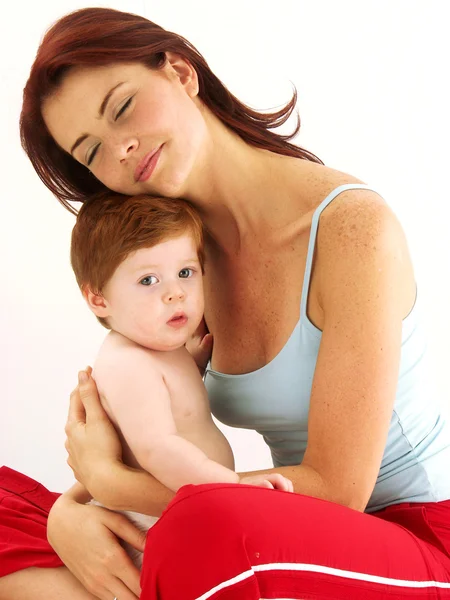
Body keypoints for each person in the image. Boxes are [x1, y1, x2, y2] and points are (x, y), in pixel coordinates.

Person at [2, 4, 450, 599]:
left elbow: (338, 490)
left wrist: (109, 483)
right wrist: (69, 514)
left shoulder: (350, 228)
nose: (123, 147)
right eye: (92, 152)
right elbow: (144, 430)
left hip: (414, 534)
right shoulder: (183, 264)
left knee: (204, 529)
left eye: (123, 107)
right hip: (279, 526)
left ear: (180, 72)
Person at [69, 191, 293, 568]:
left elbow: (169, 403)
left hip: (177, 513)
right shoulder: (129, 365)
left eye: (186, 273)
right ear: (98, 298)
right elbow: (158, 447)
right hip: (149, 531)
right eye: (148, 280)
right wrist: (231, 488)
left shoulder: (157, 348)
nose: (175, 293)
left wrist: (192, 365)